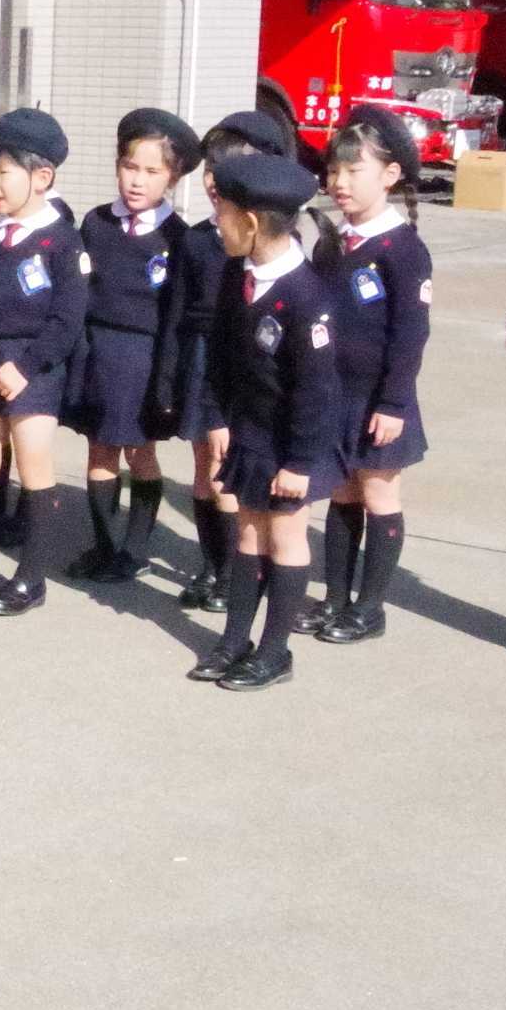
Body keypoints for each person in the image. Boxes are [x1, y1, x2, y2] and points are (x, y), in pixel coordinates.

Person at [191, 150, 342, 691]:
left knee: (285, 535)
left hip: (291, 443)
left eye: (223, 214)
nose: (217, 224)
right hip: (250, 432)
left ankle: (275, 651)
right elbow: (223, 354)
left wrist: (300, 461)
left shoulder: (306, 296)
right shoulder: (240, 275)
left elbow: (317, 391)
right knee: (248, 535)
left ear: (250, 224)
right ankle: (236, 639)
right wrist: (216, 416)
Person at [0, 109, 87, 616]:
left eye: (5, 173)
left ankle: (30, 577)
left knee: (32, 464)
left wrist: (25, 366)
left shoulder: (64, 241)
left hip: (34, 367)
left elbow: (67, 318)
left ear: (42, 177)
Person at [306, 106, 432, 644]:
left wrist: (394, 403)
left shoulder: (403, 249)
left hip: (379, 398)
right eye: (334, 172)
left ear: (389, 175)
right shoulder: (333, 242)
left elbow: (410, 334)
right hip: (334, 395)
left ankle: (370, 606)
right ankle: (335, 596)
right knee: (340, 494)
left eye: (353, 172)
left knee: (379, 494)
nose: (339, 183)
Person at [158, 108, 292, 611]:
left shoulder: (274, 242)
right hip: (200, 358)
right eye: (212, 169)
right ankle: (214, 568)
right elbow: (176, 315)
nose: (214, 182)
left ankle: (243, 573)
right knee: (203, 466)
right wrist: (168, 378)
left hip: (246, 365)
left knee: (230, 468)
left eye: (228, 170)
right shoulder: (196, 239)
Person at [65, 109, 198, 583]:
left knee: (140, 452)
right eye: (129, 167)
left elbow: (178, 318)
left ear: (174, 176)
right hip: (97, 354)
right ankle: (104, 545)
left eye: (151, 171)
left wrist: (168, 381)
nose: (137, 181)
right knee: (99, 451)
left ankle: (135, 548)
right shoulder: (97, 224)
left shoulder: (179, 239)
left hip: (145, 362)